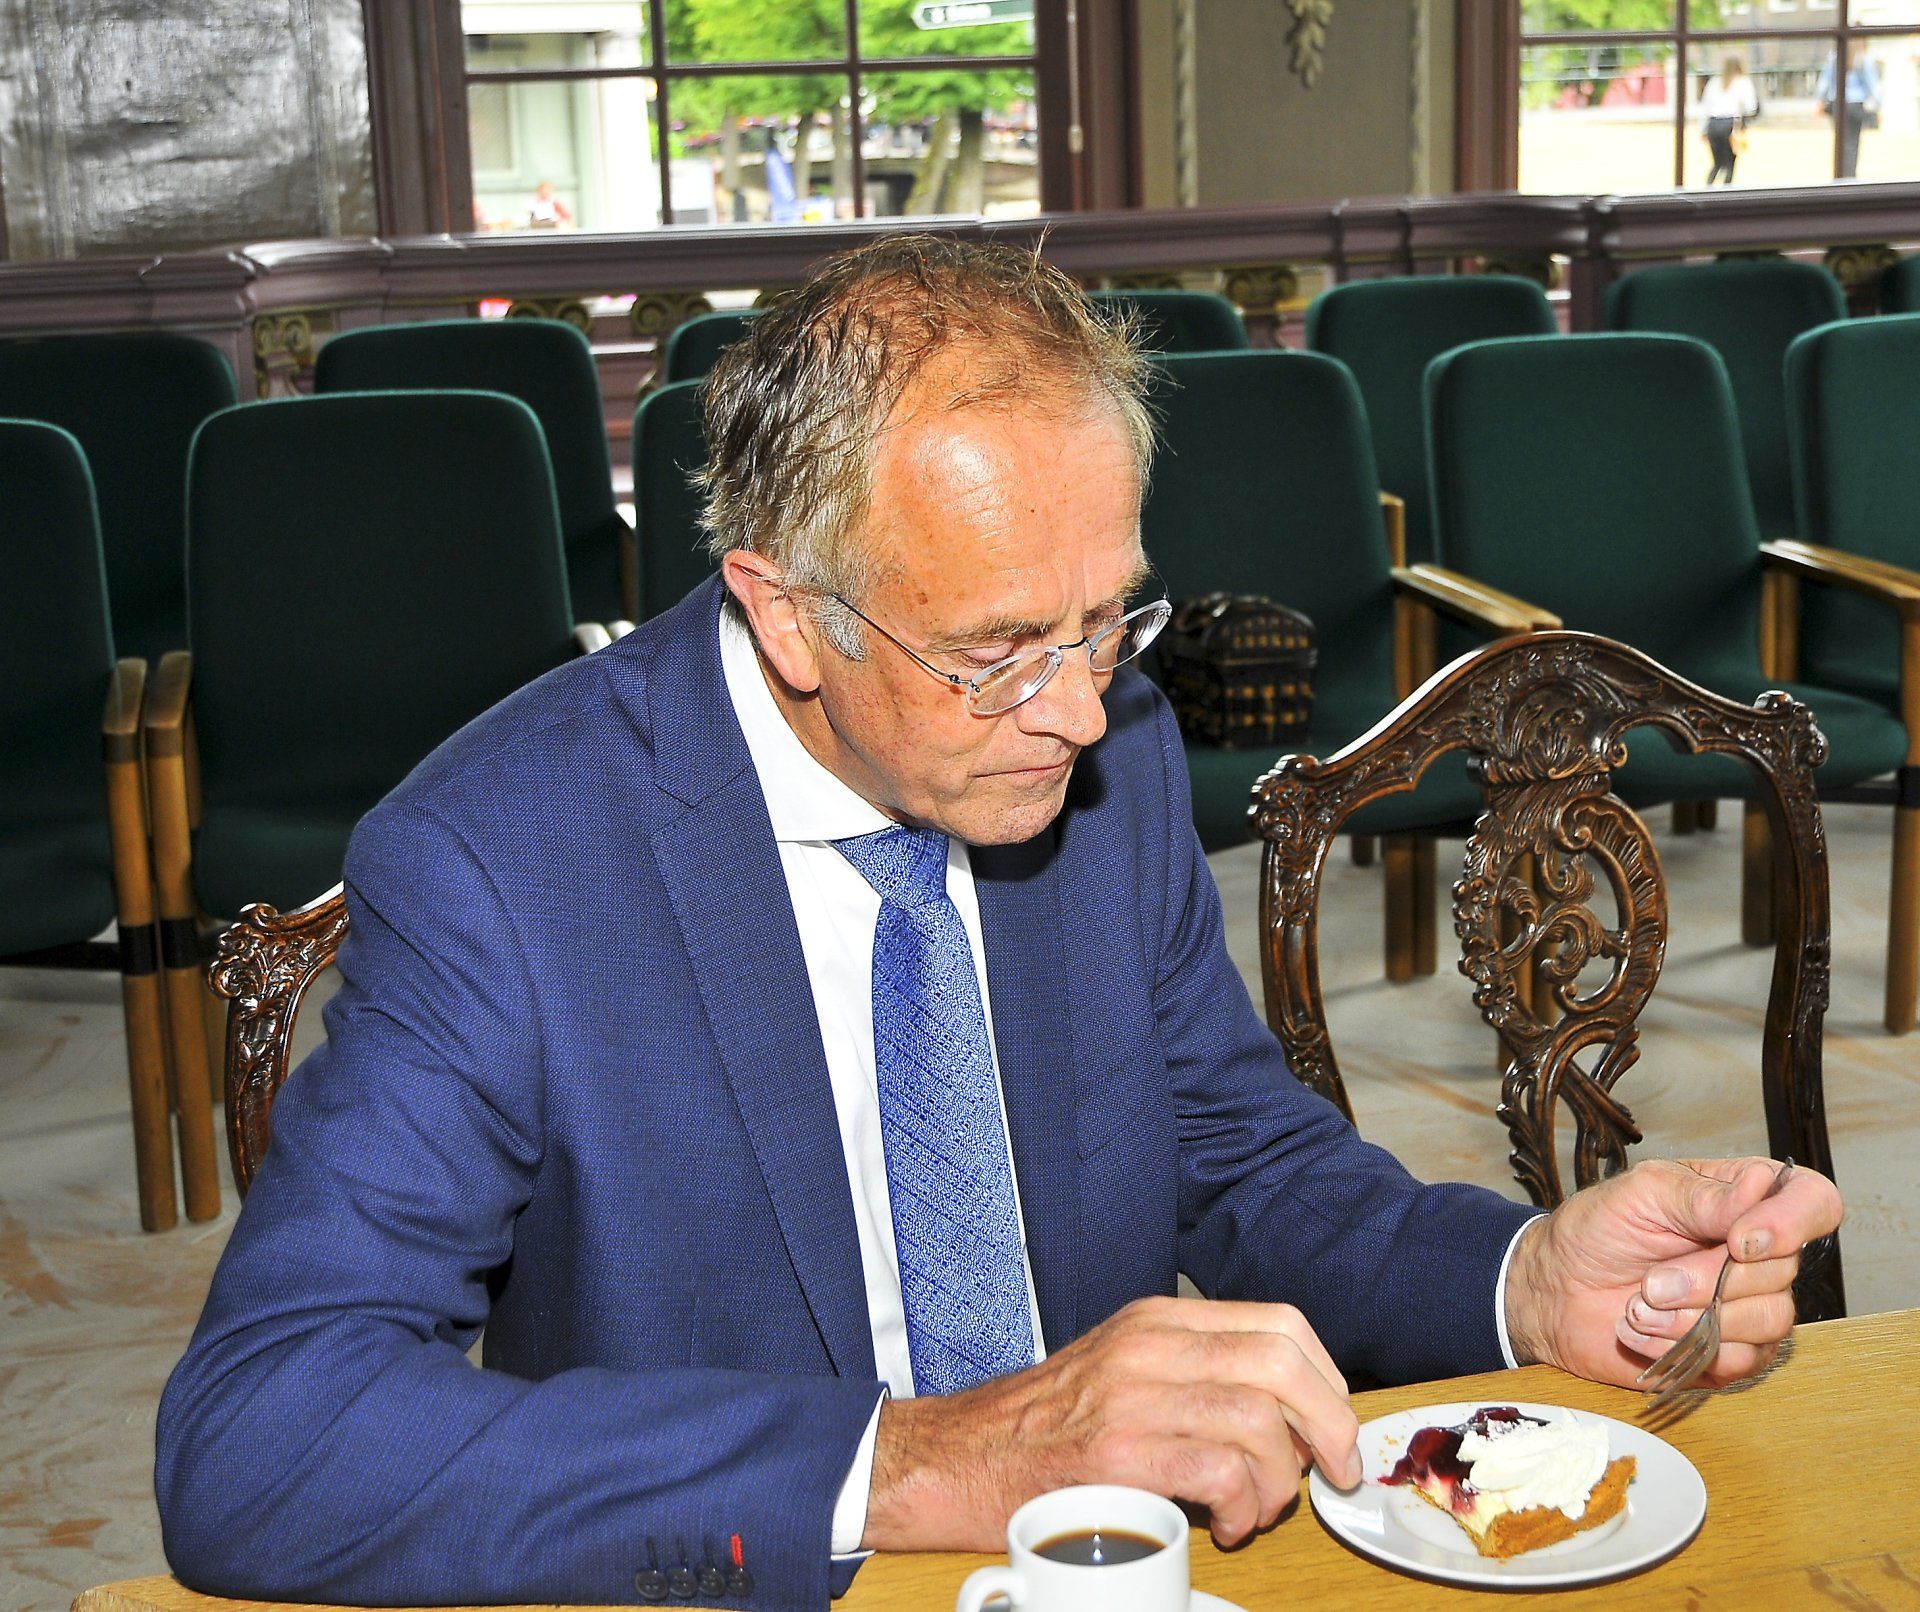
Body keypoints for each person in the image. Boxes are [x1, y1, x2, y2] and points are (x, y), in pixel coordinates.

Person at [154, 236, 1842, 1610]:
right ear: (787, 616)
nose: (1082, 710)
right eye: (1000, 647)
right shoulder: (500, 862)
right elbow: (261, 1437)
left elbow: (1233, 1157)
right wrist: (928, 1459)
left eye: (1109, 620)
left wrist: (1520, 1281)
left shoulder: (1106, 745)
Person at [1817, 51, 1881, 179]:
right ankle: (1850, 175)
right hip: (1856, 103)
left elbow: (1825, 80)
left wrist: (1820, 99)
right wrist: (1878, 105)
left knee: (1840, 141)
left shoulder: (1834, 56)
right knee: (1852, 142)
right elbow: (1873, 84)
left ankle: (1840, 174)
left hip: (1837, 102)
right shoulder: (1862, 58)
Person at [1700, 55, 1759, 185]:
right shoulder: (1743, 81)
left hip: (1713, 124)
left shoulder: (1715, 81)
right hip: (1731, 124)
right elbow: (1751, 107)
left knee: (1717, 163)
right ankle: (1726, 190)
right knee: (1729, 164)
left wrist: (1703, 130)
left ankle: (1708, 188)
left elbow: (1705, 107)